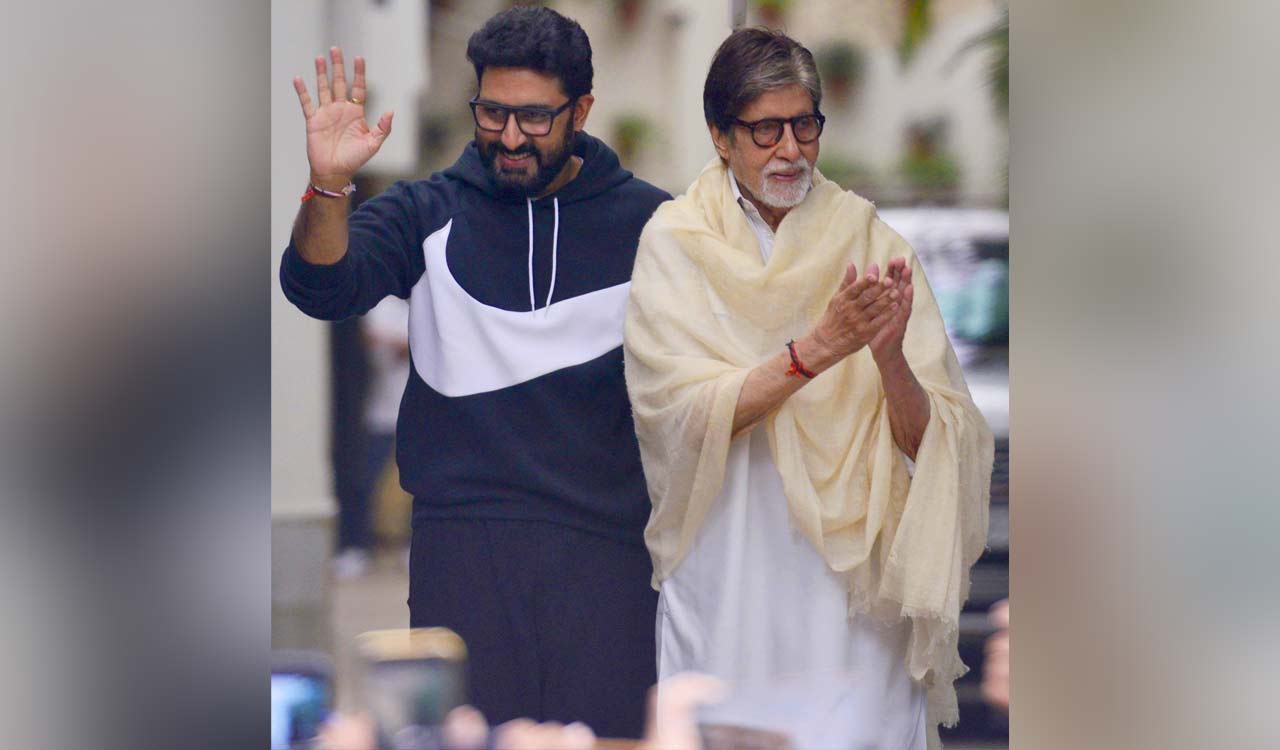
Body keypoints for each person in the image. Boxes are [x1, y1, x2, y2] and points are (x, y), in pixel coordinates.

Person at [280, 6, 669, 737]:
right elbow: (320, 286)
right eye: (491, 112)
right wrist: (328, 185)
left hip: (610, 559)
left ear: (581, 109)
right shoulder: (426, 210)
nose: (510, 136)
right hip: (460, 554)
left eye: (533, 117)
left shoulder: (655, 226)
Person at [623, 28, 994, 749]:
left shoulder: (870, 242)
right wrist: (817, 350)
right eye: (766, 129)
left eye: (804, 125)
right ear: (720, 136)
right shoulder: (675, 245)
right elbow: (678, 417)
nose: (790, 149)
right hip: (731, 577)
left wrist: (889, 360)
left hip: (853, 602)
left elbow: (936, 442)